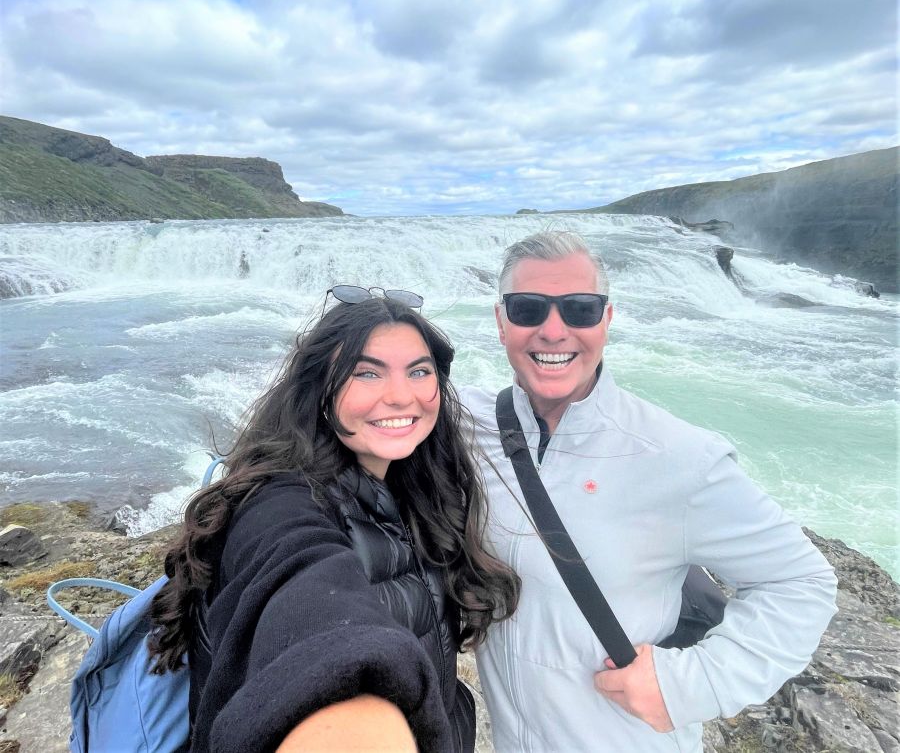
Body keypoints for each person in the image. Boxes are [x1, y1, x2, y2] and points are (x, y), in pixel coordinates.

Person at [461, 231, 838, 753]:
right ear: (501, 322)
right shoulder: (463, 425)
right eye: (528, 309)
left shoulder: (679, 456)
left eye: (579, 309)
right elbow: (367, 406)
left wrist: (692, 684)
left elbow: (802, 582)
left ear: (606, 321)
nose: (553, 330)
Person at [149, 288, 520, 753]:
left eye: (419, 371)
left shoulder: (410, 491)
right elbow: (317, 620)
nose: (401, 396)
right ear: (320, 389)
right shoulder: (279, 506)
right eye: (367, 373)